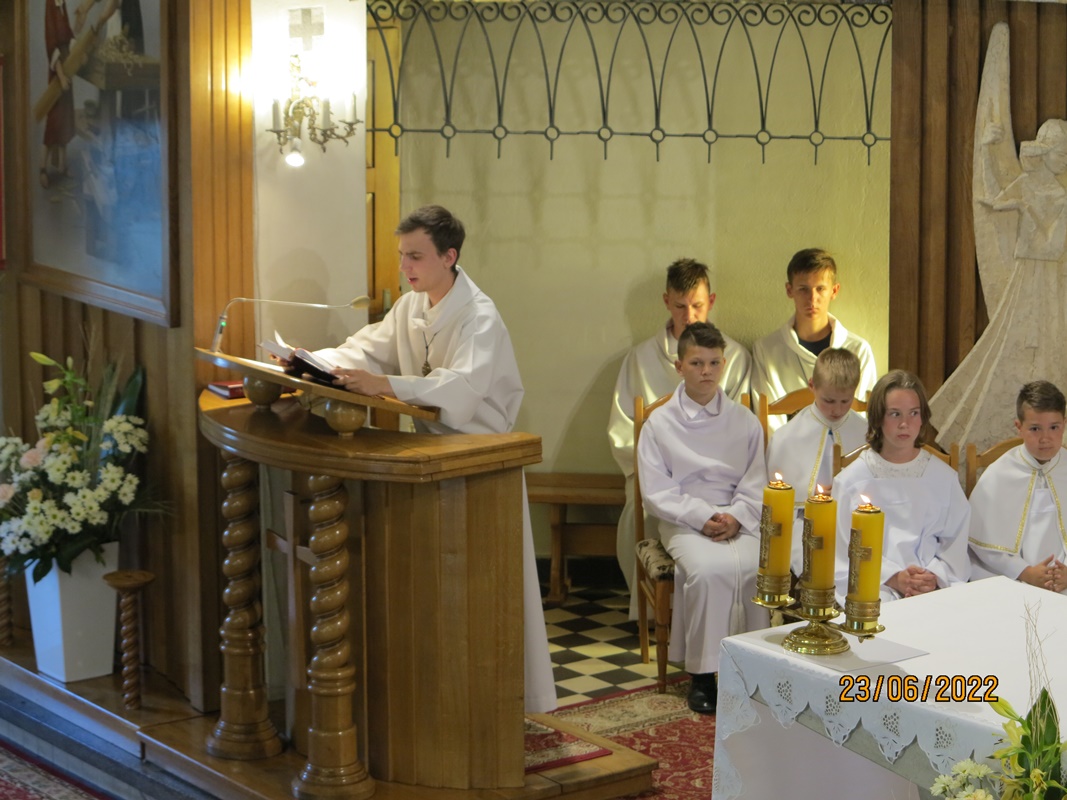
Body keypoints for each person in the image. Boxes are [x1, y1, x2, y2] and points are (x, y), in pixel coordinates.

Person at [314, 205, 556, 713]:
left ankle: (503, 702)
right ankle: (441, 701)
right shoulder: (411, 307)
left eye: (416, 256)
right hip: (432, 456)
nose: (405, 266)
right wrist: (308, 362)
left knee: (486, 587)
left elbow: (461, 390)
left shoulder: (479, 317)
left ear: (449, 256)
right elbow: (362, 350)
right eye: (403, 255)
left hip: (482, 460)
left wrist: (385, 385)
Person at [608, 258, 752, 618]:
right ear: (666, 302)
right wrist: (651, 471)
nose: (689, 316)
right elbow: (622, 427)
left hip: (721, 476)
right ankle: (653, 610)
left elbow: (741, 425)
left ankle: (726, 612)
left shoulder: (733, 356)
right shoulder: (639, 359)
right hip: (659, 472)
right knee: (639, 508)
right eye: (680, 306)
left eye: (697, 305)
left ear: (711, 301)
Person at [637, 322, 765, 714]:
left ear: (724, 364)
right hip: (683, 517)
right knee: (708, 571)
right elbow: (656, 491)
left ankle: (753, 668)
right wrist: (702, 516)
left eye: (713, 362)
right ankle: (704, 675)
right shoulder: (660, 423)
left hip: (737, 514)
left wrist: (737, 516)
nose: (706, 371)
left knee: (758, 568)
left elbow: (756, 479)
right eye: (696, 363)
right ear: (679, 366)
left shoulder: (744, 420)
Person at [832, 370, 971, 601]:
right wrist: (894, 577)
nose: (905, 424)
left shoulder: (943, 478)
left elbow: (955, 545)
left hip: (932, 588)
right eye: (895, 414)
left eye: (913, 413)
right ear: (878, 418)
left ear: (923, 417)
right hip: (874, 586)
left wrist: (932, 577)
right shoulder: (851, 481)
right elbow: (842, 552)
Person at [751, 249, 877, 434]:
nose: (812, 299)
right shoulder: (767, 350)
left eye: (820, 289)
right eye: (803, 289)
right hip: (787, 450)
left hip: (846, 450)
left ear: (834, 291)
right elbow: (770, 425)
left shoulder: (858, 351)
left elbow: (863, 420)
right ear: (789, 290)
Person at [765, 348, 868, 575]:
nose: (837, 410)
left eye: (845, 401)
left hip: (855, 521)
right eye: (828, 400)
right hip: (805, 522)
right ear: (812, 385)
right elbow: (780, 506)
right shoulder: (786, 437)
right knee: (818, 562)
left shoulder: (868, 434)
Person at [968, 381, 1067, 594]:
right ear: (1019, 427)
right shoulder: (999, 474)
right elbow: (983, 544)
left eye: (1054, 427)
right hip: (1013, 580)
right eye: (1035, 429)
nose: (1045, 438)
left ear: (1065, 424)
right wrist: (1025, 572)